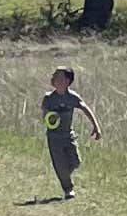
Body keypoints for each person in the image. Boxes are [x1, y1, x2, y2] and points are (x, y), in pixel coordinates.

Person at [39, 66, 100, 200]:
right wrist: (50, 117)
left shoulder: (72, 97)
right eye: (54, 77)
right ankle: (68, 188)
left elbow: (85, 109)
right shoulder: (49, 98)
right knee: (60, 165)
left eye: (59, 77)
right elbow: (45, 117)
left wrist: (96, 127)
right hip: (54, 138)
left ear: (67, 81)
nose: (56, 80)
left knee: (75, 162)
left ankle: (66, 173)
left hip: (68, 135)